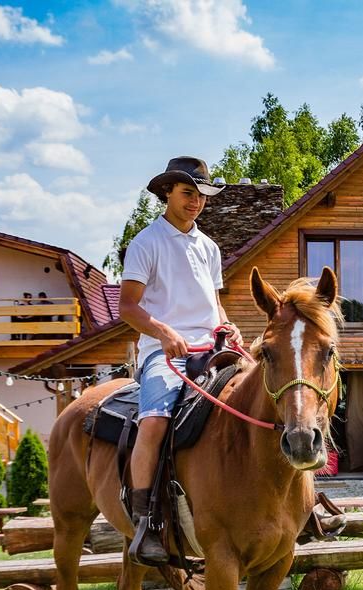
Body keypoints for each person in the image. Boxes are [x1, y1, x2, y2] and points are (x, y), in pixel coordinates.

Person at [119, 156, 243, 566]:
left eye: (202, 195)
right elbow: (127, 308)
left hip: (211, 349)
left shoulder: (208, 247)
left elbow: (215, 306)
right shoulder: (146, 242)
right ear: (167, 192)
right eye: (188, 193)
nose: (196, 202)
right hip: (163, 353)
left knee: (267, 393)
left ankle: (305, 506)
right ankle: (146, 524)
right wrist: (164, 333)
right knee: (153, 421)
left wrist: (229, 328)